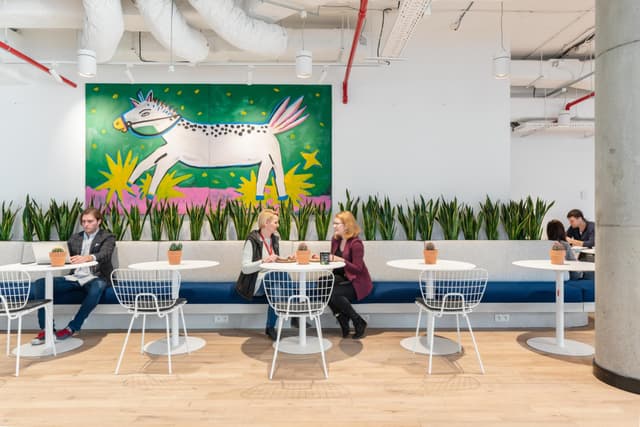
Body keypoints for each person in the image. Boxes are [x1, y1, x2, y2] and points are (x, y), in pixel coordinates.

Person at [31, 207, 116, 344]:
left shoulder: (107, 237)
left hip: (95, 277)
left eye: (90, 221)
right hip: (75, 277)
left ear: (99, 221)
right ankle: (47, 329)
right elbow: (66, 256)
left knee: (98, 286)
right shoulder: (75, 238)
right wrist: (58, 258)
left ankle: (73, 327)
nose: (86, 224)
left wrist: (88, 257)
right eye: (83, 221)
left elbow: (105, 254)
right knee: (41, 283)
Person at [236, 208, 285, 341]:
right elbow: (245, 268)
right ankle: (296, 310)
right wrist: (263, 261)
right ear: (266, 223)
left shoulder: (275, 239)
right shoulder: (252, 240)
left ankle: (270, 328)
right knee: (275, 277)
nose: (278, 225)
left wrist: (284, 259)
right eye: (275, 222)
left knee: (277, 289)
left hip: (271, 281)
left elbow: (273, 261)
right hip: (254, 283)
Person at [327, 211, 373, 339]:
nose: (334, 226)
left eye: (337, 224)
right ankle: (341, 317)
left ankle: (358, 321)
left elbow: (358, 269)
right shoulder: (335, 240)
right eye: (334, 223)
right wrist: (321, 259)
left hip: (357, 282)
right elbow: (334, 261)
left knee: (333, 293)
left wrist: (341, 260)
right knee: (322, 285)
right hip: (342, 277)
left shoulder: (356, 244)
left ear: (346, 225)